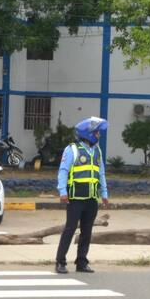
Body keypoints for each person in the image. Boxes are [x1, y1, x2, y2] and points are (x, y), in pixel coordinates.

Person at [54, 117, 110, 274]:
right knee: (70, 229)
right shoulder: (72, 149)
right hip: (75, 199)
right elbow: (63, 171)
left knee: (87, 231)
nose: (99, 135)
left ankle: (81, 262)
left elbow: (101, 173)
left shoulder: (97, 151)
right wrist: (62, 191)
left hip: (91, 199)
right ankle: (60, 262)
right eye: (97, 132)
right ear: (88, 133)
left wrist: (104, 194)